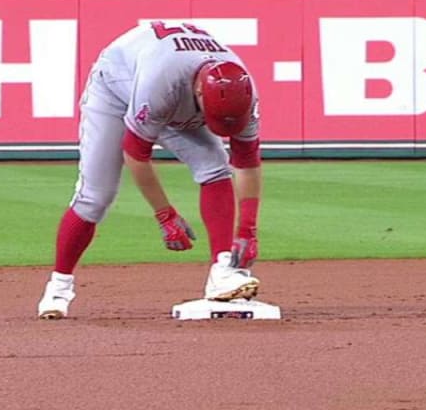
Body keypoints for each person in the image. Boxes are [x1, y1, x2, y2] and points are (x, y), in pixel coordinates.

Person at [35, 21, 263, 319]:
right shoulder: (161, 81)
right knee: (95, 197)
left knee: (215, 166)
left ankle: (223, 271)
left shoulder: (244, 90)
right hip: (116, 90)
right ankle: (59, 287)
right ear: (200, 93)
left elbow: (246, 163)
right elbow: (136, 154)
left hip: (176, 98)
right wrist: (164, 214)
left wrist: (248, 229)